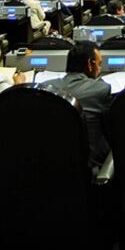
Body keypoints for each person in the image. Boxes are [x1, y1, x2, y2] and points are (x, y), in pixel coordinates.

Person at [44, 41, 112, 169]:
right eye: (99, 64)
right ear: (89, 64)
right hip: (90, 167)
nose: (100, 69)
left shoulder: (47, 87)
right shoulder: (101, 89)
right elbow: (110, 131)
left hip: (54, 165)